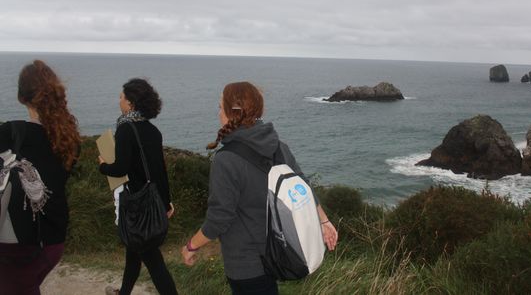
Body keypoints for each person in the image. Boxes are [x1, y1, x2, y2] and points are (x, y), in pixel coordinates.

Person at [181, 81, 338, 295]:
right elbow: (303, 185)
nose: (218, 112)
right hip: (278, 251)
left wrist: (191, 246)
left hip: (245, 263)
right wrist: (324, 220)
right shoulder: (278, 146)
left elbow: (220, 217)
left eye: (220, 107)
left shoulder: (226, 159)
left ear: (230, 112)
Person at [0, 60, 81, 295]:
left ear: (21, 96)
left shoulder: (11, 132)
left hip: (15, 243)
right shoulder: (69, 139)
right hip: (53, 241)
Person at [99, 78, 177, 295]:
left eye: (122, 97)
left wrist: (103, 166)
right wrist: (166, 201)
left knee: (153, 261)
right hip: (152, 201)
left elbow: (120, 168)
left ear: (131, 102)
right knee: (133, 253)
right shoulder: (153, 131)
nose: (119, 101)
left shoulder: (125, 129)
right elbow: (160, 170)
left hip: (137, 205)